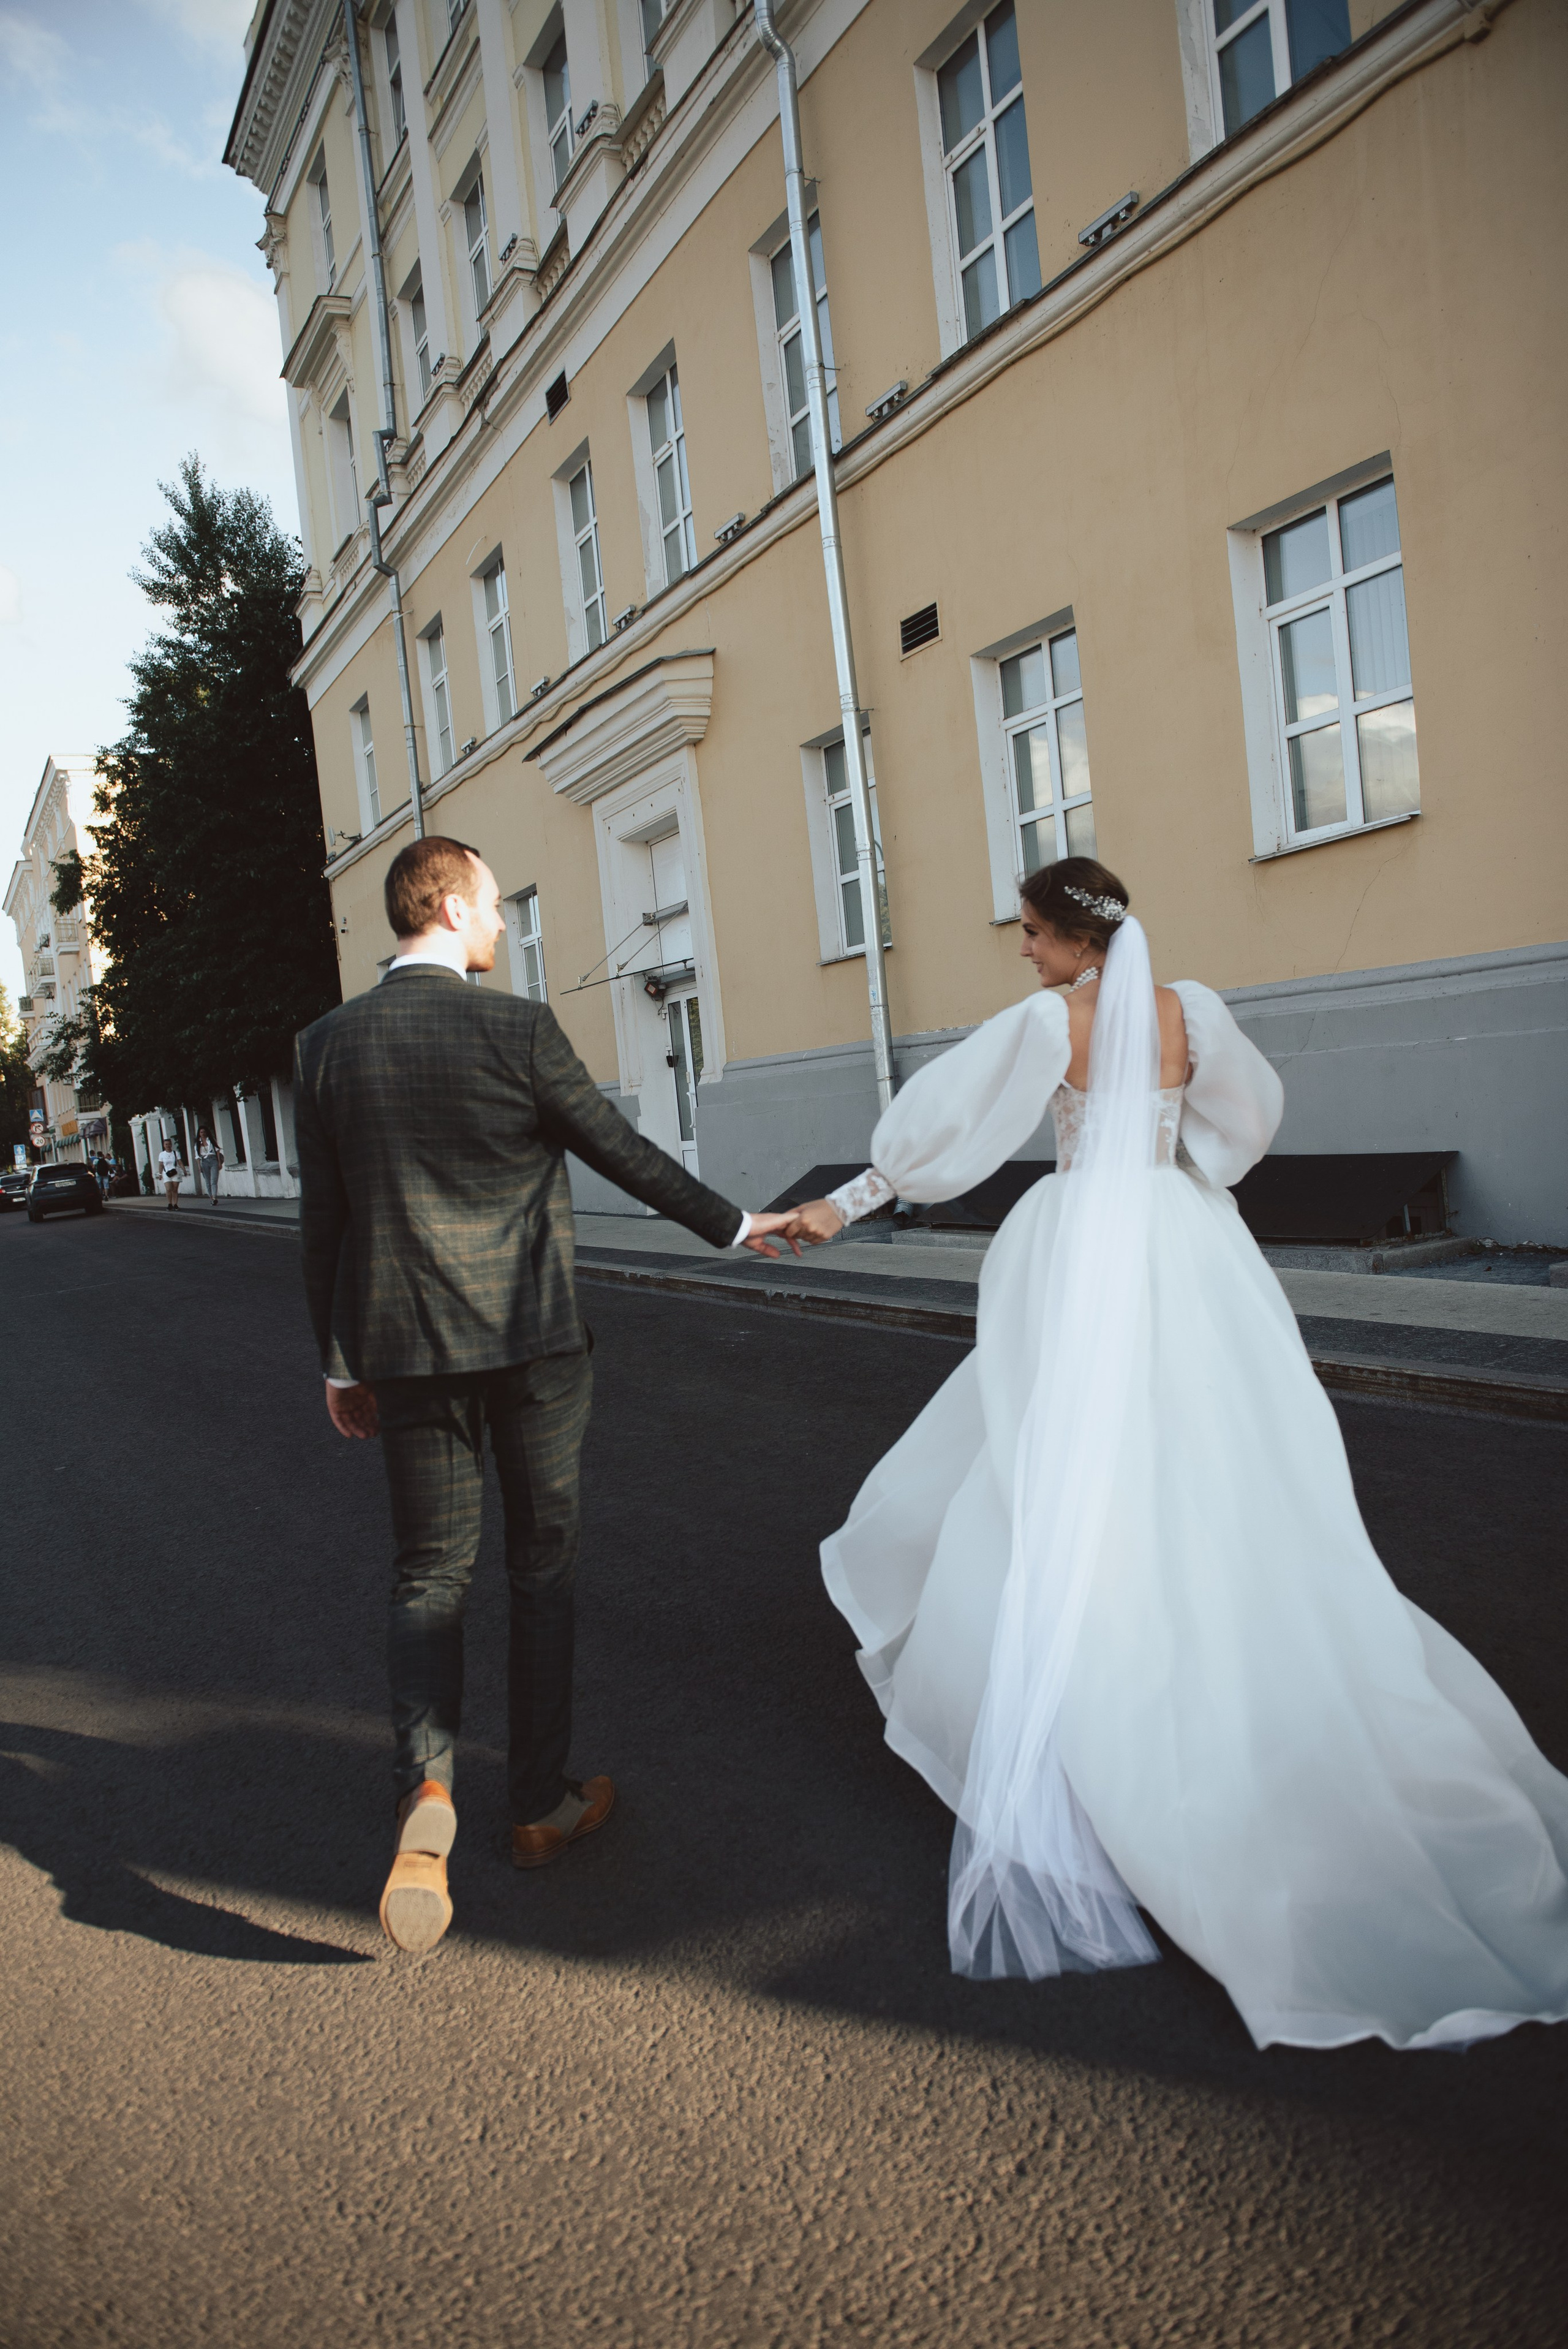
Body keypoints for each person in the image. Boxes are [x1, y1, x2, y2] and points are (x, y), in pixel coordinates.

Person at [790, 857, 1568, 2053]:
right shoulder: (1186, 1010)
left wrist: (838, 1205)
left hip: (1085, 1239)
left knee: (1046, 1458)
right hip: (1181, 1238)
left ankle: (1072, 1684)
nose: (1021, 952)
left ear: (1068, 937)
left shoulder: (1047, 1023)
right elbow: (1242, 1123)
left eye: (1031, 932)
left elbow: (934, 1144)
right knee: (1210, 1454)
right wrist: (1186, 1168)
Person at [293, 836, 801, 1957]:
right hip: (532, 1344)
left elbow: (324, 1219)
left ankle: (425, 1792)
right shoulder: (515, 1028)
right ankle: (536, 1804)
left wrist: (340, 1362)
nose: (507, 927)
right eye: (497, 907)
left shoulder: (326, 1045)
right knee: (542, 1568)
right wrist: (735, 1222)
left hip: (406, 1351)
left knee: (429, 1572)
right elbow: (618, 1148)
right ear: (458, 905)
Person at [195, 1126, 224, 1204]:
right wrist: (199, 1166)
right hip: (204, 1162)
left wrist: (219, 1162)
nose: (203, 1134)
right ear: (199, 1134)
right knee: (208, 1182)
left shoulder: (211, 1140)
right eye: (201, 1132)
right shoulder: (198, 1144)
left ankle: (214, 1197)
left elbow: (217, 1150)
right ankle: (211, 1198)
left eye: (204, 1132)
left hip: (213, 1160)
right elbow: (197, 1157)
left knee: (213, 1180)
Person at [156, 1138, 184, 1209]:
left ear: (171, 1145)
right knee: (168, 1189)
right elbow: (161, 1165)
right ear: (164, 1145)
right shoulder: (162, 1154)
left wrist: (184, 1170)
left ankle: (176, 1204)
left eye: (169, 1144)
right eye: (166, 1144)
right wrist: (160, 1174)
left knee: (175, 1189)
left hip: (175, 1172)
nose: (168, 1146)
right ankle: (170, 1204)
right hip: (166, 1173)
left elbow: (180, 1162)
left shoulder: (176, 1153)